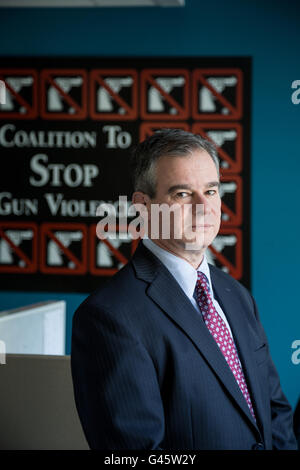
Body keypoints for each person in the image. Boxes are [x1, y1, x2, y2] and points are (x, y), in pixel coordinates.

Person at [71, 128, 297, 450]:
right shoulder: (109, 318)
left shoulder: (236, 295)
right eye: (182, 194)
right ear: (142, 207)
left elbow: (275, 414)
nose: (204, 207)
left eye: (211, 191)